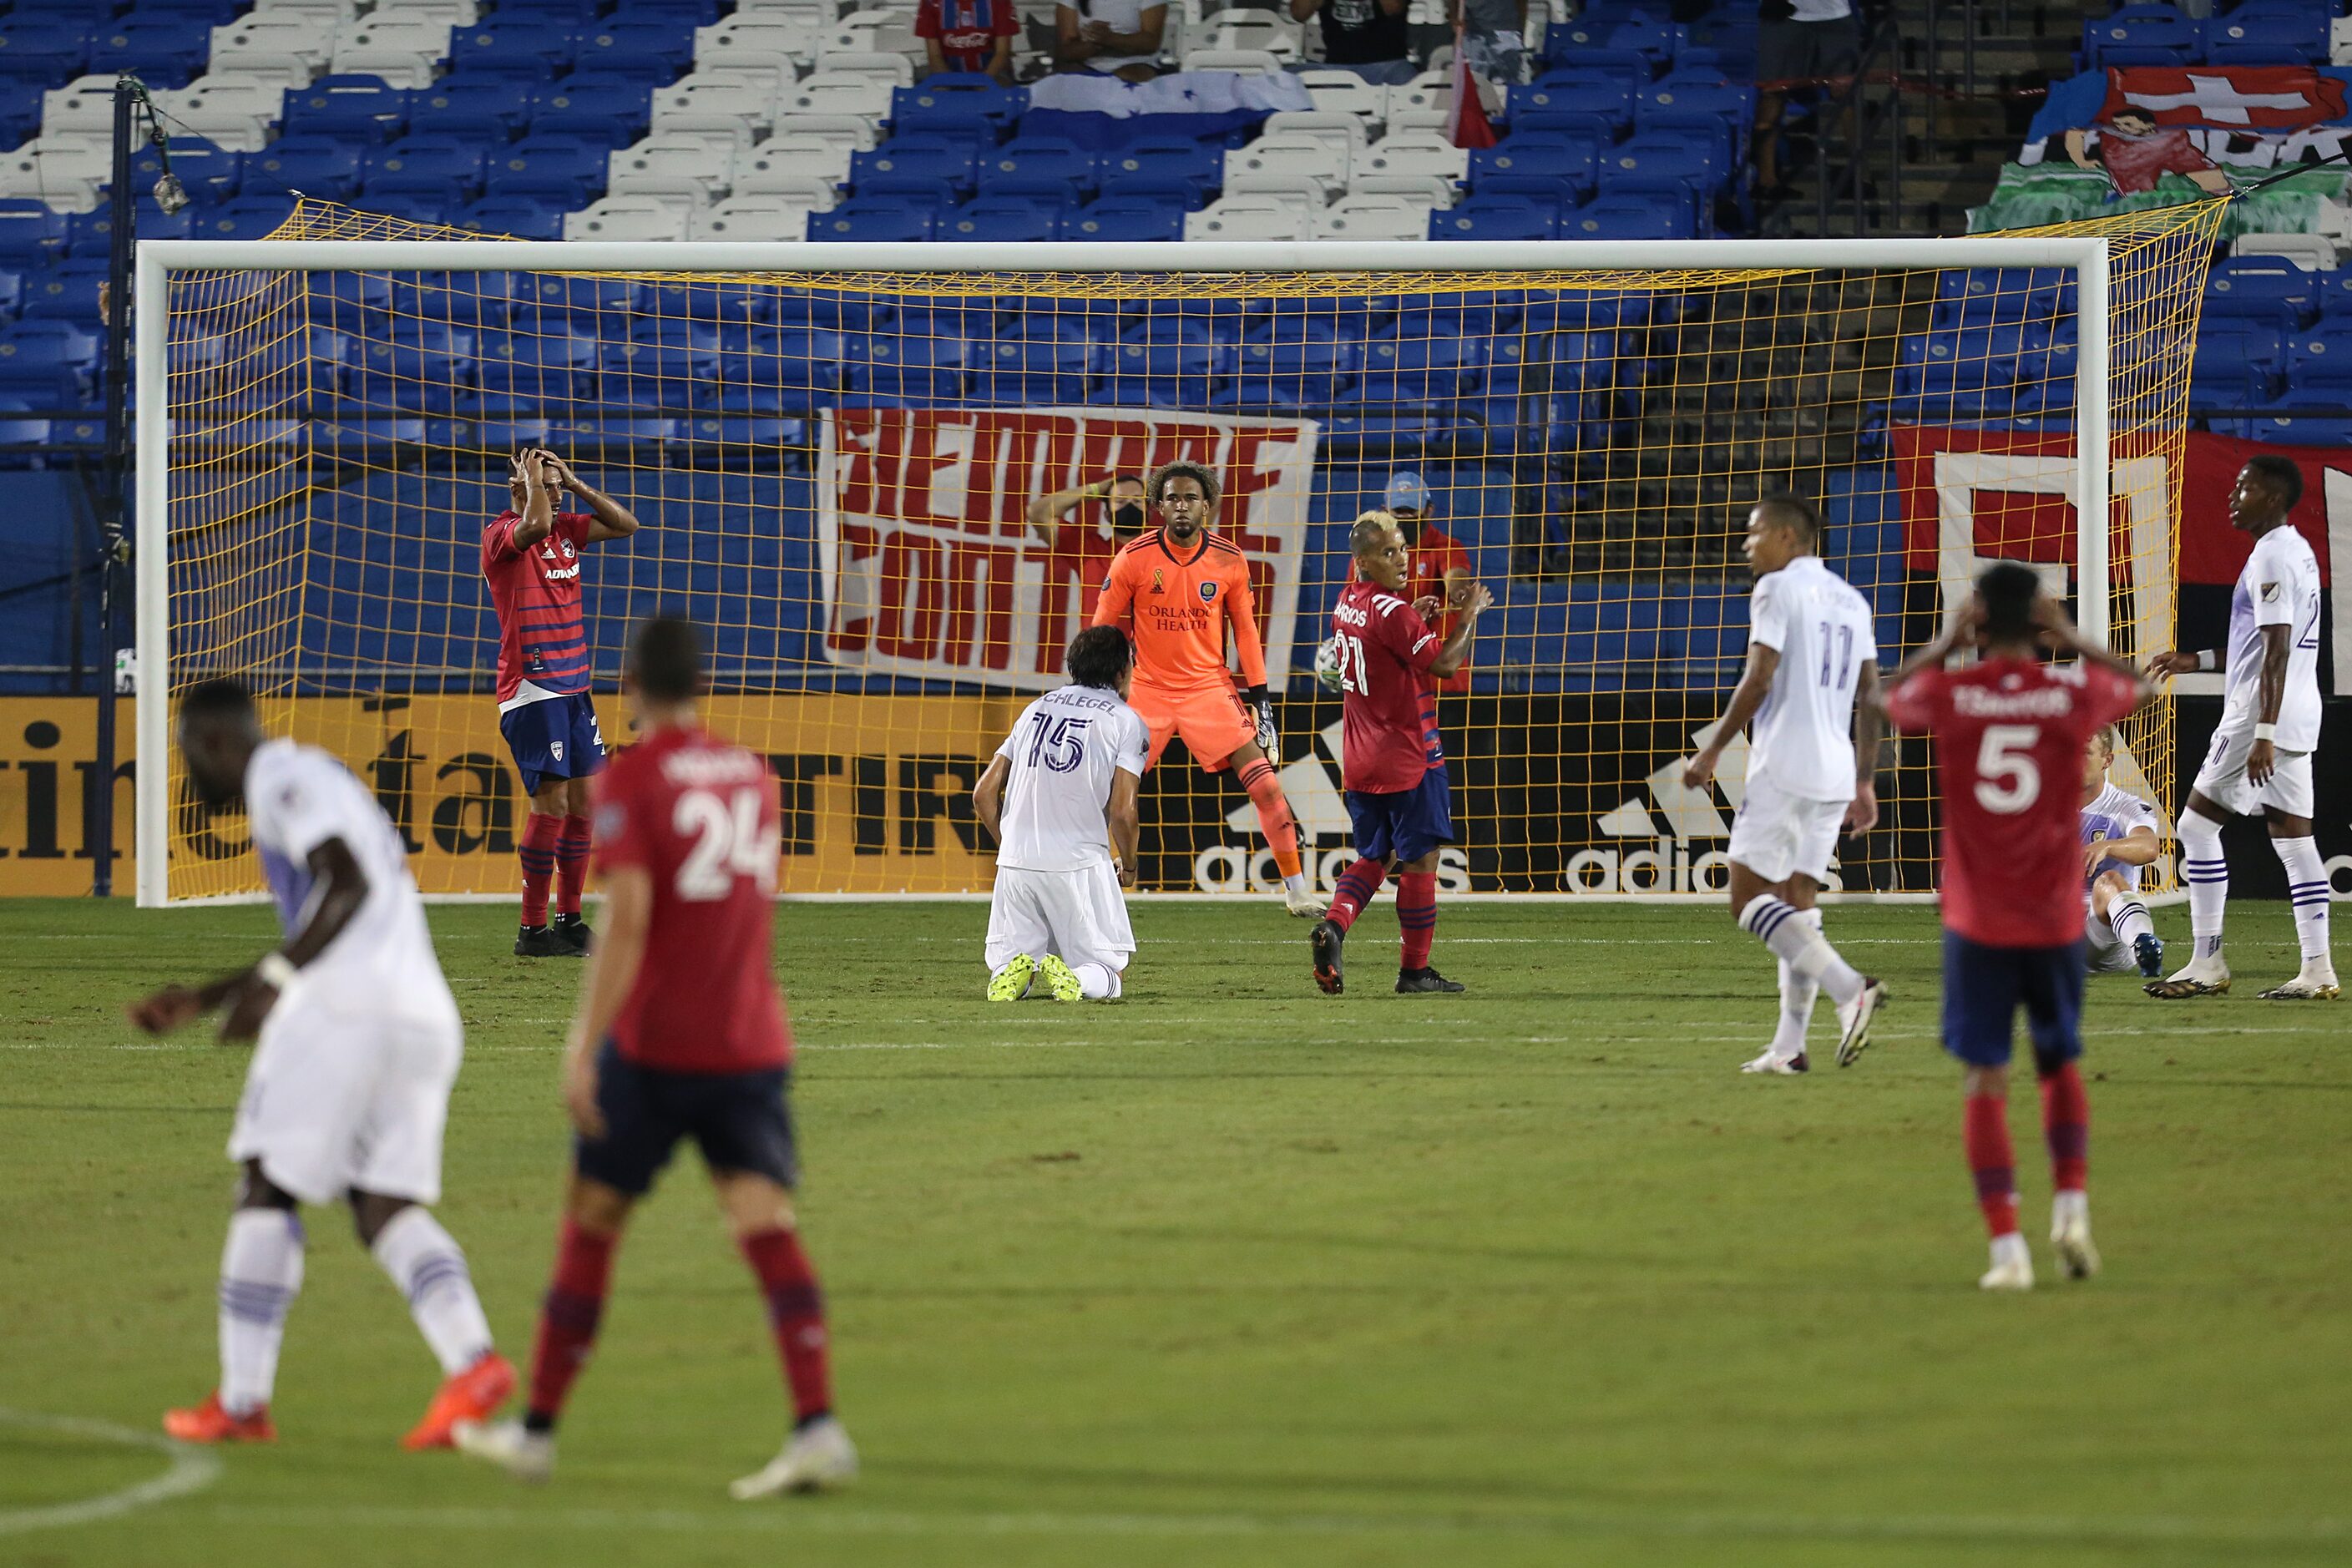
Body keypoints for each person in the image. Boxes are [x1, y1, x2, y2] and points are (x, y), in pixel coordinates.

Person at [454, 617, 857, 1497]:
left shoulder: (630, 779)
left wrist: (580, 1047)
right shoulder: (755, 776)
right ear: (703, 681)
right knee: (764, 1226)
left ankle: (538, 1433)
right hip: (748, 1042)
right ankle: (818, 1425)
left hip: (655, 1049)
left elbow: (628, 919)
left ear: (630, 682)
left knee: (591, 1225)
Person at [130, 679, 512, 1447]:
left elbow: (346, 880)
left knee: (267, 1183)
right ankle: (472, 1364)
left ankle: (242, 1404)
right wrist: (205, 997)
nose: (187, 774)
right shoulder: (323, 779)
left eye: (184, 756)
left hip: (346, 1015)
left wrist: (274, 985)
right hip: (420, 1016)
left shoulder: (281, 778)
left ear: (210, 744)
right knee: (381, 1204)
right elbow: (340, 913)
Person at [1883, 564, 2154, 1290]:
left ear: (1977, 620)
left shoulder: (1952, 692)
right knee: (2057, 1064)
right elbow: (2143, 687)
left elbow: (1880, 699)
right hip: (2050, 915)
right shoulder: (2068, 692)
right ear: (2037, 623)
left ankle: (2007, 1252)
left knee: (1984, 1077)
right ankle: (2070, 1204)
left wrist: (1944, 642)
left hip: (1978, 919)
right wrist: (2068, 636)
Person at [1683, 496, 1885, 1074]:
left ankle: (1850, 989)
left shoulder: (1775, 589)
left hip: (1784, 764)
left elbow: (1759, 674)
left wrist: (1714, 749)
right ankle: (1789, 1046)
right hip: (1833, 768)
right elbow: (1871, 695)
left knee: (1747, 900)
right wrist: (1865, 779)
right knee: (1798, 906)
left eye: (1754, 533)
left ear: (1788, 539)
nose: (1746, 544)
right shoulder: (1852, 599)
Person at [1092, 459, 1324, 917]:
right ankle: (1093, 883)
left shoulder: (1230, 560)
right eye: (1173, 498)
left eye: (1191, 499)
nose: (1182, 506)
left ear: (1208, 507)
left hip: (1210, 691)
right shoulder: (1134, 558)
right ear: (1158, 505)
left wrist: (1263, 703)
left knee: (1269, 788)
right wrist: (1098, 695)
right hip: (1146, 694)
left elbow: (1247, 634)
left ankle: (1296, 890)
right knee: (1106, 796)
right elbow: (1101, 630)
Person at [2145, 458, 2334, 1000]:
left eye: (2245, 487)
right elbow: (2262, 645)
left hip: (2260, 714)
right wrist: (2197, 659)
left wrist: (2263, 732)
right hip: (2299, 710)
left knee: (2196, 828)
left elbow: (2274, 650)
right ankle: (2317, 969)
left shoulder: (2272, 555)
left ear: (2273, 498)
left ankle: (2206, 963)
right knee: (2295, 841)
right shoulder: (2298, 550)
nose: (2234, 495)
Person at [1311, 511, 1495, 994]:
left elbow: (1386, 641)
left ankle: (1333, 925)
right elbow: (1444, 663)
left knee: (1376, 854)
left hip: (1359, 755)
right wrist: (1469, 613)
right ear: (1364, 561)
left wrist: (1420, 616)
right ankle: (1414, 971)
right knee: (1421, 859)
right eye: (1389, 552)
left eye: (1403, 548)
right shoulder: (1395, 613)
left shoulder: (1346, 602)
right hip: (1409, 756)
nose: (1403, 558)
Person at [481, 447, 641, 959]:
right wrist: (534, 488)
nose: (552, 494)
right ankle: (533, 929)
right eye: (543, 485)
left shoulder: (566, 529)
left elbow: (625, 525)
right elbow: (531, 526)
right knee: (550, 805)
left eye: (554, 487)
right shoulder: (502, 536)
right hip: (533, 689)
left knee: (585, 804)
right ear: (519, 489)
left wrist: (574, 483)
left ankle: (570, 919)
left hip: (575, 688)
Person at [973, 625, 1150, 1001]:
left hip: (1016, 864)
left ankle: (1009, 975)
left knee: (1011, 960)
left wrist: (1013, 850)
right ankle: (1077, 979)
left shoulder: (1035, 709)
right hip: (1078, 862)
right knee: (1108, 971)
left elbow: (983, 794)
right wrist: (1130, 867)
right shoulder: (1125, 721)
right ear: (1122, 671)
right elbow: (1122, 812)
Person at [1027, 471, 1147, 671]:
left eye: (1137, 500)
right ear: (1107, 514)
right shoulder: (1088, 549)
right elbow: (1038, 513)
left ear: (1148, 510)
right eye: (1121, 500)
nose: (1130, 505)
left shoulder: (1166, 551)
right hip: (1100, 665)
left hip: (1152, 666)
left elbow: (1205, 511)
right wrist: (1097, 490)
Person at [2078, 726, 2165, 979]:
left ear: (2107, 760)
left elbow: (2149, 847)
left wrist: (2107, 846)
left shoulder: (2125, 806)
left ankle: (2144, 944)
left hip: (2100, 937)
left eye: (2085, 752)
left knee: (2109, 881)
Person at [1753, 0, 1861, 195]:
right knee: (1772, 93)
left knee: (1844, 93)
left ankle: (1861, 176)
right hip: (1783, 15)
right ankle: (1766, 181)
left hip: (1835, 16)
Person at [1383, 472, 1474, 692]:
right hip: (1392, 686)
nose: (1405, 518)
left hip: (1442, 685)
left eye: (1411, 511)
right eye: (1399, 512)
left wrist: (1459, 592)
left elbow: (1456, 576)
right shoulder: (1369, 560)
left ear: (1428, 510)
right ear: (1385, 511)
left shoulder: (1445, 547)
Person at [2064, 110, 2229, 199]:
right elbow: (2075, 131)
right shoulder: (2107, 121)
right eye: (2118, 124)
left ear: (2149, 125)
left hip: (2171, 145)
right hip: (2128, 159)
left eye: (2128, 124)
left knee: (2214, 180)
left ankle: (2229, 198)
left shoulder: (2171, 126)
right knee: (2139, 202)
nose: (2121, 128)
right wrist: (2080, 160)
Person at [1291, 0, 1414, 84]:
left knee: (1409, 84)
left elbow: (1394, 7)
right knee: (1286, 79)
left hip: (1389, 66)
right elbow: (1299, 14)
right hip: (1334, 67)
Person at [1055, 0, 1166, 78]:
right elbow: (1067, 50)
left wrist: (1111, 39)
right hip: (1086, 65)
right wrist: (1096, 43)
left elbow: (1151, 42)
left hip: (1139, 64)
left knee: (1124, 78)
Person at [916, 0, 1020, 82]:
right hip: (947, 73)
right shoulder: (930, 3)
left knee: (1002, 95)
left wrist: (983, 82)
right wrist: (949, 84)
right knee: (932, 95)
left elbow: (1002, 53)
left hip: (993, 73)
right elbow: (934, 56)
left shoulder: (1000, 2)